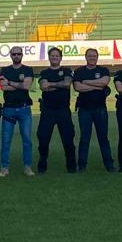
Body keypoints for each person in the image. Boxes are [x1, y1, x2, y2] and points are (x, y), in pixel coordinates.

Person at [73, 48, 115, 172]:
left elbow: (104, 83)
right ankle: (81, 165)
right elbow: (77, 87)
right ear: (86, 57)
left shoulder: (103, 70)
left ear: (97, 57)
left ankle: (109, 165)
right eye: (90, 56)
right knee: (84, 138)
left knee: (103, 138)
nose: (92, 58)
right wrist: (96, 86)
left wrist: (87, 83)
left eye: (94, 56)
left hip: (100, 109)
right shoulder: (79, 71)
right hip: (84, 109)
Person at [36, 46, 77, 174]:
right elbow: (43, 86)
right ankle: (42, 164)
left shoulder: (67, 70)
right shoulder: (44, 72)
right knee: (43, 139)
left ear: (61, 58)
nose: (54, 57)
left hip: (63, 110)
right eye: (52, 56)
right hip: (48, 110)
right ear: (49, 57)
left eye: (57, 56)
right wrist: (58, 85)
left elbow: (67, 84)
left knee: (68, 139)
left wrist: (51, 84)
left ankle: (71, 166)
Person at [0, 47, 35, 177]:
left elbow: (26, 86)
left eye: (18, 54)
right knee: (6, 140)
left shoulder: (28, 69)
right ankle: (4, 167)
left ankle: (27, 167)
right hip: (8, 109)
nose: (16, 56)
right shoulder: (5, 70)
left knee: (27, 139)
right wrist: (17, 85)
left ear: (22, 55)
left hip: (24, 109)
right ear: (10, 55)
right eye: (14, 54)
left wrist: (10, 83)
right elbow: (3, 87)